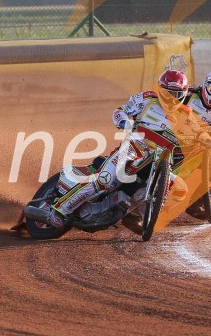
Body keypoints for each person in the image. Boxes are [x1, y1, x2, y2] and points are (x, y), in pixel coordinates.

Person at [46, 69, 192, 228]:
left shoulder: (187, 116)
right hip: (134, 148)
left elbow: (196, 139)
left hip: (160, 161)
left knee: (181, 189)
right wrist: (124, 122)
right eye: (167, 93)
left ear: (183, 95)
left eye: (175, 95)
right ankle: (59, 210)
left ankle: (135, 215)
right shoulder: (146, 99)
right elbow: (120, 111)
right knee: (105, 179)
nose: (170, 99)